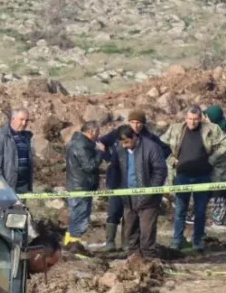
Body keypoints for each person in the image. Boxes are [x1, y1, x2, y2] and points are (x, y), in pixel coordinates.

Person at [98, 110, 171, 251]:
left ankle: (146, 256)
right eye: (133, 122)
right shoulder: (119, 140)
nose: (136, 125)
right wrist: (108, 158)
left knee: (145, 229)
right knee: (122, 219)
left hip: (146, 193)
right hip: (123, 189)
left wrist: (151, 188)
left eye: (139, 123)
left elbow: (160, 168)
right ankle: (119, 248)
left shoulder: (151, 144)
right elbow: (109, 155)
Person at [163, 105, 226, 251]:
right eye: (190, 119)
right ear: (185, 118)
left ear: (201, 119)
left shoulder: (211, 129)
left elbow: (224, 143)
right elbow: (162, 145)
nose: (193, 122)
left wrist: (213, 158)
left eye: (196, 119)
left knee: (200, 211)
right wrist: (172, 160)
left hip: (203, 177)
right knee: (180, 210)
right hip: (182, 176)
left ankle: (198, 241)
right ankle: (177, 240)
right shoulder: (176, 129)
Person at [115, 124, 168, 258]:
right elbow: (116, 169)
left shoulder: (151, 148)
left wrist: (150, 191)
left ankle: (149, 259)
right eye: (121, 142)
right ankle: (133, 259)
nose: (124, 145)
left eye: (126, 142)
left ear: (135, 137)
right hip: (128, 196)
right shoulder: (121, 150)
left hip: (148, 198)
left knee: (147, 232)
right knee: (130, 230)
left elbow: (160, 171)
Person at [63, 121, 104, 251]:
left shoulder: (80, 142)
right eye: (97, 132)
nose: (99, 135)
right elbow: (89, 166)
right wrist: (100, 153)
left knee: (76, 217)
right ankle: (74, 247)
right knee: (80, 218)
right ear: (91, 131)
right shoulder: (81, 145)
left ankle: (68, 244)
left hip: (78, 185)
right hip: (80, 186)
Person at [0, 108, 34, 193]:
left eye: (27, 120)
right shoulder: (1, 136)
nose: (24, 123)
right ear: (13, 119)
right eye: (21, 119)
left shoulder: (27, 137)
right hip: (7, 187)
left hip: (23, 186)